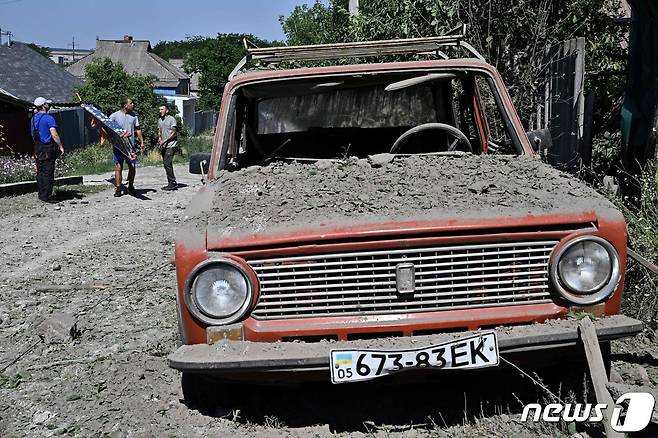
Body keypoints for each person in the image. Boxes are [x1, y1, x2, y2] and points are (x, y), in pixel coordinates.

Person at [31, 97, 64, 203]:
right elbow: (54, 134)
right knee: (48, 172)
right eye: (47, 104)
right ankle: (47, 196)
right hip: (47, 148)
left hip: (37, 148)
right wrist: (60, 146)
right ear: (43, 105)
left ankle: (41, 194)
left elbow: (33, 134)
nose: (48, 105)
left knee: (40, 172)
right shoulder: (48, 118)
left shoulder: (33, 119)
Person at [110, 97, 144, 197]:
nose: (133, 104)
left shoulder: (134, 116)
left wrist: (142, 141)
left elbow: (138, 129)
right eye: (131, 103)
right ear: (125, 105)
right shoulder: (115, 115)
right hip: (118, 146)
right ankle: (118, 188)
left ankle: (131, 186)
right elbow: (107, 127)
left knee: (132, 166)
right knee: (118, 167)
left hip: (130, 146)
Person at [157, 104, 178, 190]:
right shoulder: (159, 120)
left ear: (167, 111)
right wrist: (159, 138)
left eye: (162, 109)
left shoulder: (171, 119)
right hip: (163, 145)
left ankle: (173, 182)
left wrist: (165, 140)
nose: (160, 111)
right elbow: (159, 130)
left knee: (167, 163)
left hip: (171, 145)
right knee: (166, 164)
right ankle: (170, 182)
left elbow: (174, 132)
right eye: (159, 109)